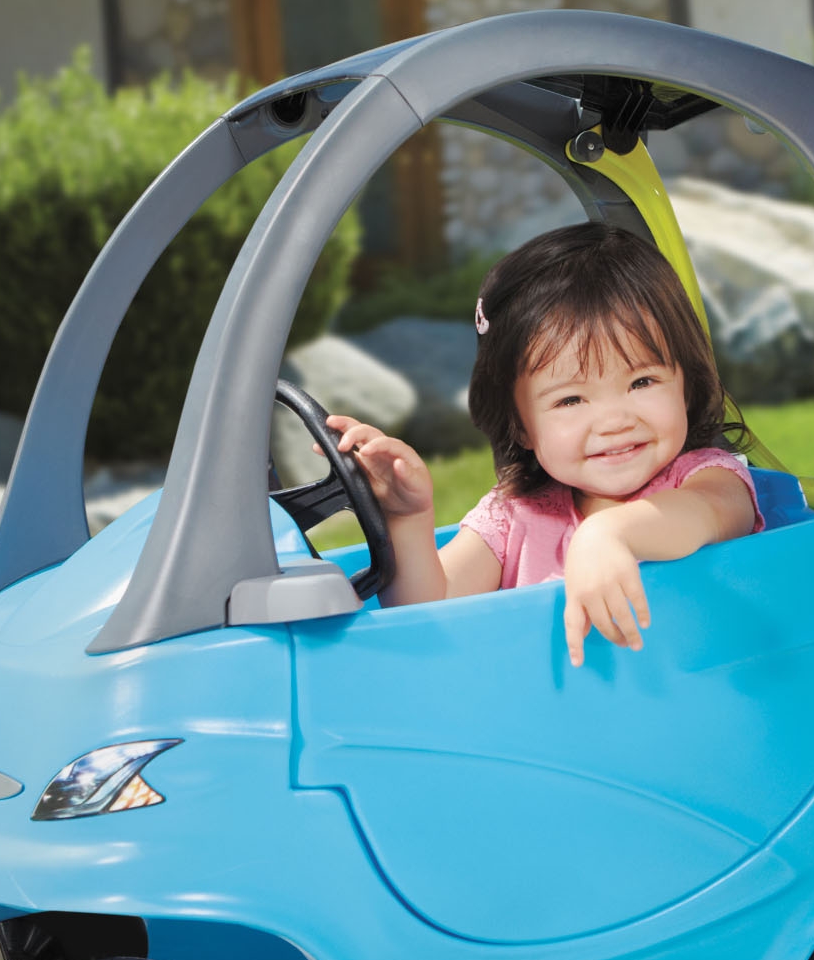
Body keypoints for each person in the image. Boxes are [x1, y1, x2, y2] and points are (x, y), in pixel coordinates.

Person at [320, 223, 764, 666]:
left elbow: (704, 514)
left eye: (642, 381)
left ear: (686, 384)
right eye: (570, 399)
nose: (615, 421)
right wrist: (406, 518)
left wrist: (610, 533)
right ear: (520, 426)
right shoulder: (515, 517)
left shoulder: (708, 479)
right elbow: (426, 616)